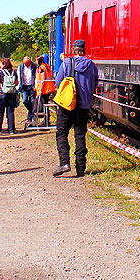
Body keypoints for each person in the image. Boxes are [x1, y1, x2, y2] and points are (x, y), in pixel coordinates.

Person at [53, 40, 99, 177]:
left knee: (61, 132)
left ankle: (64, 163)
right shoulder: (91, 65)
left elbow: (57, 81)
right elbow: (95, 83)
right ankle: (81, 168)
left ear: (73, 49)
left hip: (67, 105)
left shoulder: (67, 63)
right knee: (80, 135)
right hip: (84, 106)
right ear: (84, 50)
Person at [0, 58, 18, 134]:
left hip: (2, 93)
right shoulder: (13, 72)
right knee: (10, 111)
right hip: (12, 93)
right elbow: (16, 82)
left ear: (4, 64)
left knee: (0, 112)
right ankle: (11, 129)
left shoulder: (0, 72)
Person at [35, 55, 56, 125]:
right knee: (46, 104)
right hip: (50, 87)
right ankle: (46, 120)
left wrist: (40, 89)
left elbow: (43, 79)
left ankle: (46, 121)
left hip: (45, 89)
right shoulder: (46, 65)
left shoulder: (41, 68)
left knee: (44, 105)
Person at [17, 56, 38, 126]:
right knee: (25, 101)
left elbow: (36, 75)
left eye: (27, 64)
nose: (26, 65)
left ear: (30, 62)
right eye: (25, 64)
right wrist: (19, 85)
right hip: (24, 86)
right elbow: (19, 76)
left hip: (31, 86)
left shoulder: (34, 66)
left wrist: (35, 85)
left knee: (33, 102)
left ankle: (29, 119)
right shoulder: (20, 67)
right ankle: (32, 112)